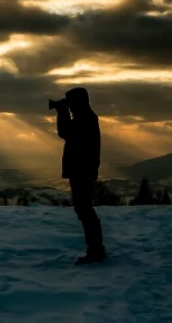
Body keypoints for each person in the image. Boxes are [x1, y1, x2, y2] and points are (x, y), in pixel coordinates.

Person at [55, 87, 106, 265]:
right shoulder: (86, 117)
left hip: (82, 171)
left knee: (85, 210)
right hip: (83, 170)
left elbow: (65, 132)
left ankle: (95, 251)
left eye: (70, 102)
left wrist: (61, 112)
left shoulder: (84, 119)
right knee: (84, 210)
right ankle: (95, 249)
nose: (69, 106)